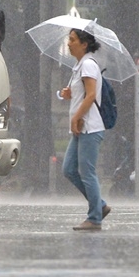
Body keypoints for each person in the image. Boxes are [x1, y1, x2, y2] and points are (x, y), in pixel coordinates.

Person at [58, 29, 111, 231]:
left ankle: (94, 217)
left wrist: (76, 117)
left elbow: (90, 96)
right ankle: (101, 205)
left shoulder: (88, 64)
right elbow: (83, 94)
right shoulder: (79, 66)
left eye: (72, 40)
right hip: (82, 127)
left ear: (84, 44)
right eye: (69, 39)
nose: (69, 43)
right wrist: (68, 93)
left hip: (90, 127)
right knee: (69, 169)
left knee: (87, 172)